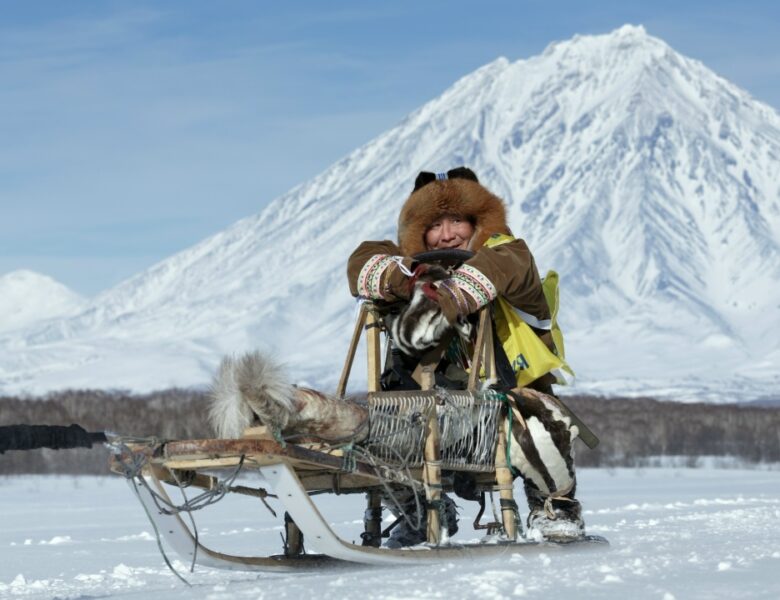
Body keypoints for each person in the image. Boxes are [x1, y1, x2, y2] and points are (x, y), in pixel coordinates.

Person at [346, 167, 585, 546]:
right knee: (371, 434)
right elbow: (362, 263)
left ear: (477, 222)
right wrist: (412, 278)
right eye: (433, 225)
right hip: (424, 411)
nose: (447, 234)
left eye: (457, 220)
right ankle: (421, 514)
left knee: (542, 429)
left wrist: (443, 297)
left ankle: (555, 508)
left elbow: (500, 266)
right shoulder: (406, 264)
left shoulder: (510, 253)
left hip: (505, 407)